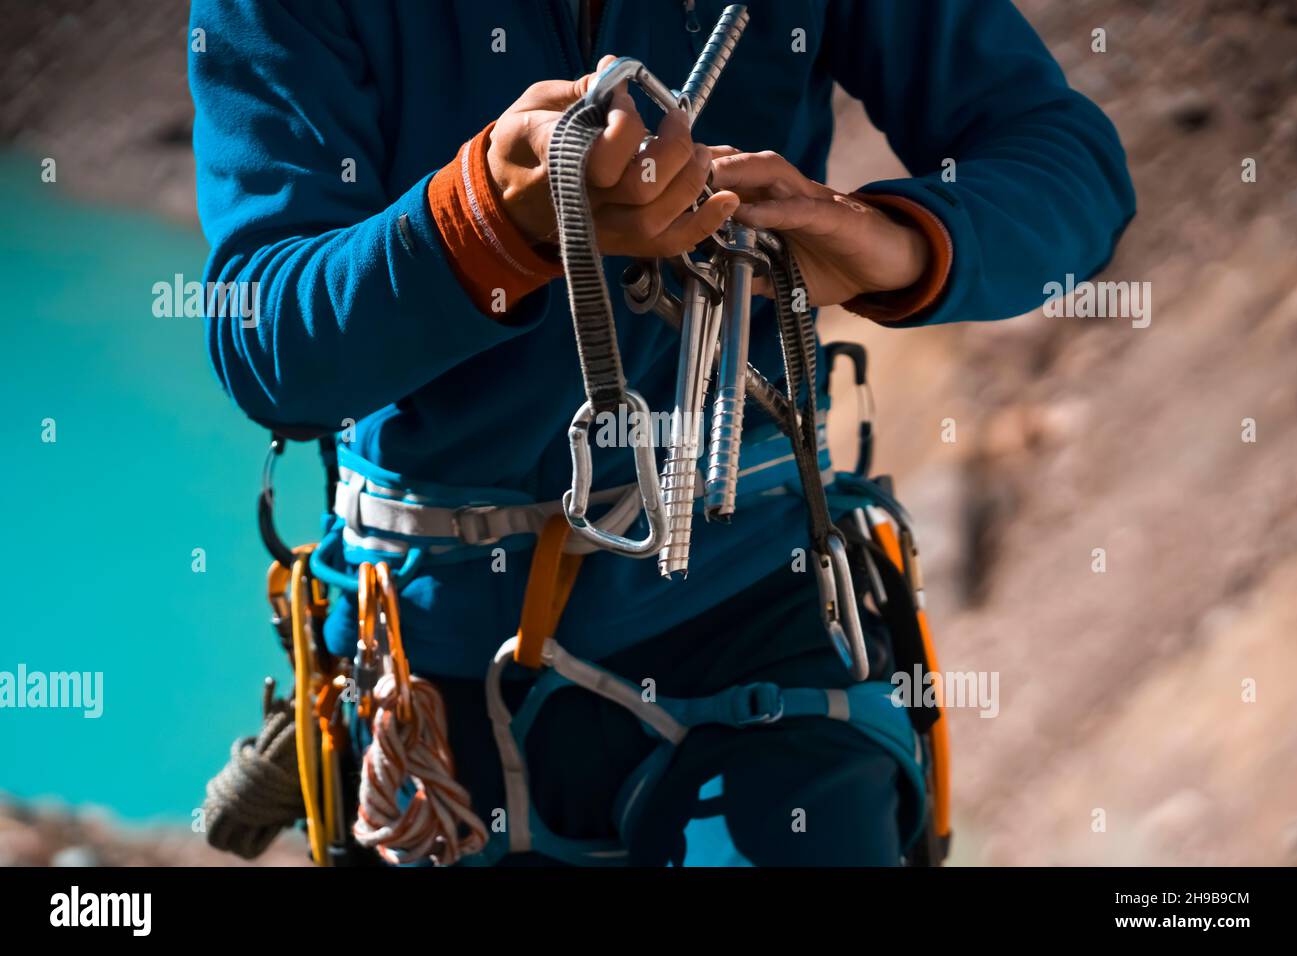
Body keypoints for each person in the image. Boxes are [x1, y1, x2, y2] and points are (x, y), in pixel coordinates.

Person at [189, 0, 1134, 866]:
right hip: (435, 673)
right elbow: (268, 344)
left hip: (750, 613)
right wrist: (487, 221)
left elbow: (1068, 165)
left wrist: (893, 243)